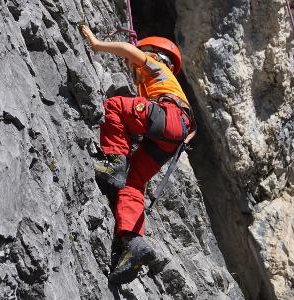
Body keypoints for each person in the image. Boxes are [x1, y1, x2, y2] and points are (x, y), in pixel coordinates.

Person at [81, 25, 195, 284]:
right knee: (134, 182)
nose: (130, 67)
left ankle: (113, 161)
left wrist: (96, 43)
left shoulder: (155, 63)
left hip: (167, 117)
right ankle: (133, 242)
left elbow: (127, 50)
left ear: (153, 52)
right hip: (176, 134)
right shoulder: (170, 86)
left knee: (115, 106)